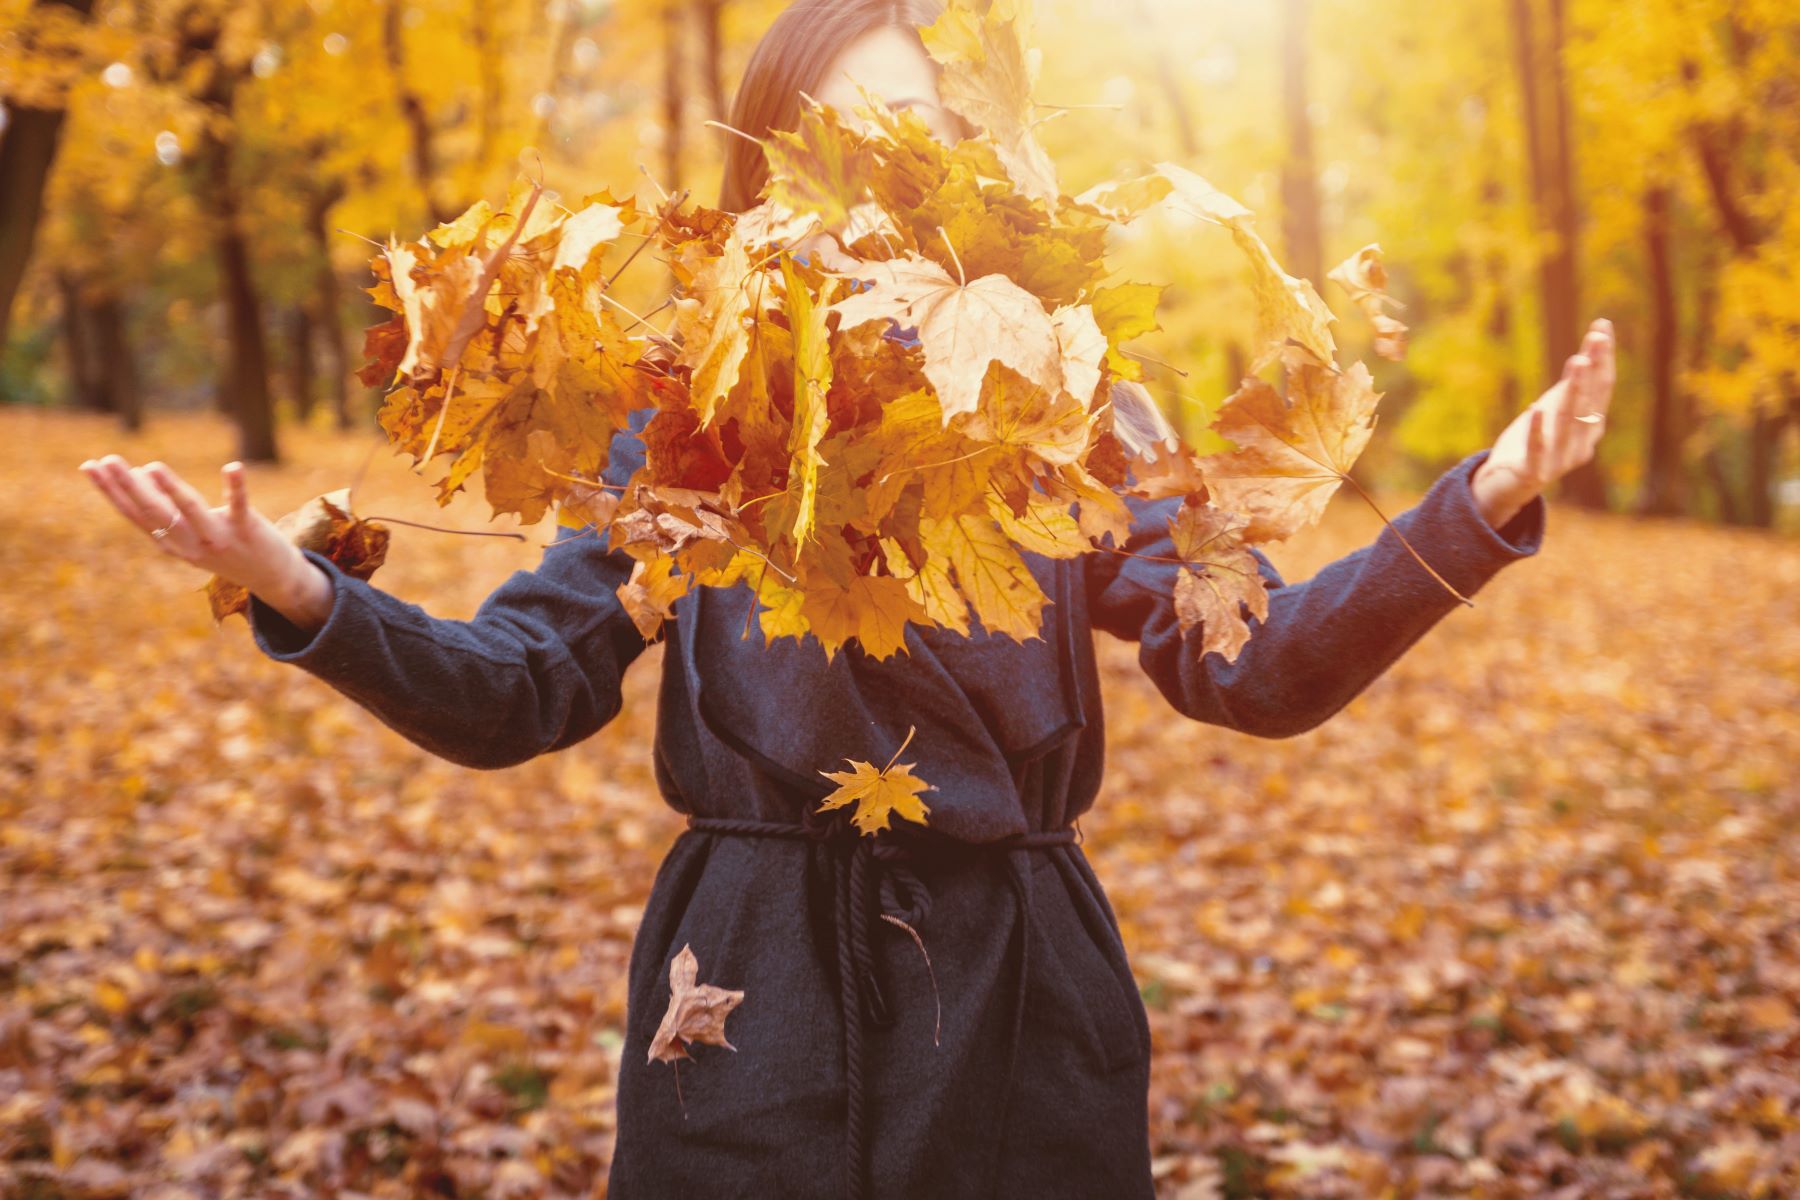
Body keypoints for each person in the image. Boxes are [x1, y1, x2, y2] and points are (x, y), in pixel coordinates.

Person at [76, 1, 1616, 1195]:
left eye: (919, 132)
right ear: (765, 166)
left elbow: (1256, 667)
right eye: (838, 135)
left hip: (1019, 996)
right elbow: (520, 687)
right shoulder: (684, 424)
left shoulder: (1071, 410)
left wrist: (1475, 511)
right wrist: (294, 586)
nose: (878, 176)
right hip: (747, 991)